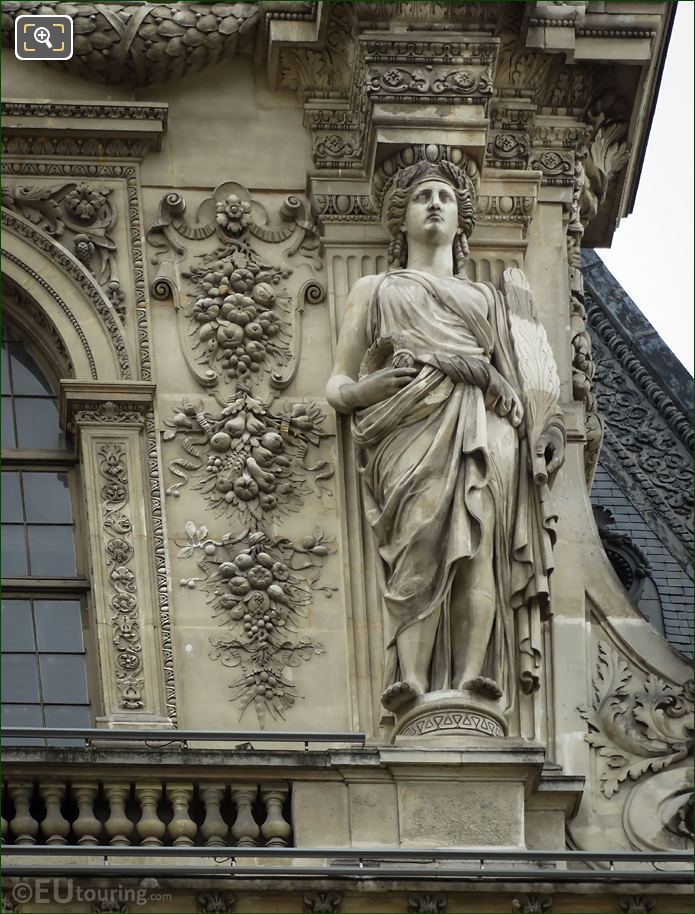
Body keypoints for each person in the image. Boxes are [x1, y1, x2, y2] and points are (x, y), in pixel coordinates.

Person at [326, 158, 565, 715]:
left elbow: (521, 383)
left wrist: (548, 428)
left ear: (461, 221)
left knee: (478, 548)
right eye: (421, 196)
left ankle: (472, 675)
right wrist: (370, 387)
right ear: (400, 219)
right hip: (406, 426)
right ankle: (410, 678)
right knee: (419, 540)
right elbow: (337, 384)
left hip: (485, 430)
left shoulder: (487, 299)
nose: (434, 203)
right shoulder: (376, 289)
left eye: (445, 196)